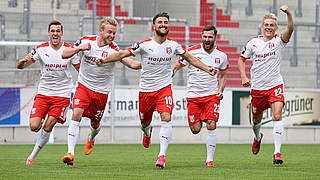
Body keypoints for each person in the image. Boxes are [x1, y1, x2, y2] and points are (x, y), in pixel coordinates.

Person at [96, 12, 217, 168]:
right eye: (160, 22)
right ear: (154, 26)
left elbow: (190, 59)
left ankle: (161, 156)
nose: (163, 25)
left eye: (165, 22)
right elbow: (121, 54)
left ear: (168, 26)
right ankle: (147, 132)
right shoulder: (144, 44)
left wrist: (207, 69)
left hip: (164, 88)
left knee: (166, 117)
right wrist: (104, 60)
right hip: (146, 90)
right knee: (144, 122)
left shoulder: (174, 45)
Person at [61, 17, 141, 166]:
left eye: (114, 33)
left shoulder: (114, 49)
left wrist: (147, 65)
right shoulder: (87, 41)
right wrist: (79, 48)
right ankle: (70, 153)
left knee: (95, 123)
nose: (111, 36)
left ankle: (91, 137)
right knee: (76, 113)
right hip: (84, 86)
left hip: (101, 92)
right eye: (109, 32)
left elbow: (131, 64)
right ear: (101, 31)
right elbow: (64, 54)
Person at [17, 20, 80, 165]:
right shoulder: (40, 49)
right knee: (34, 126)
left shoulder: (69, 51)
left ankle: (31, 157)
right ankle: (42, 125)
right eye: (53, 31)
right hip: (44, 93)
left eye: (58, 31)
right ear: (49, 33)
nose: (55, 33)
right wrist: (21, 62)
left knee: (48, 126)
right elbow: (22, 65)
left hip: (62, 95)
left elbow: (81, 70)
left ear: (62, 33)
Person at [238, 5, 293, 164]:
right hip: (257, 89)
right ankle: (257, 137)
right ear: (262, 27)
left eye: (272, 25)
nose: (269, 27)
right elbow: (241, 60)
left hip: (275, 85)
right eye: (266, 25)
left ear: (276, 28)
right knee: (256, 121)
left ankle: (277, 153)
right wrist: (243, 77)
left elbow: (290, 29)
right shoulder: (253, 43)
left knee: (277, 116)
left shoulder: (279, 41)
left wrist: (288, 13)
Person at [172, 25, 228, 167]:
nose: (207, 39)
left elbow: (223, 75)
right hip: (193, 96)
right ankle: (203, 117)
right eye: (205, 37)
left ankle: (209, 159)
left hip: (211, 96)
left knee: (211, 124)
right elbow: (178, 65)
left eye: (210, 37)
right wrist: (171, 71)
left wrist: (221, 90)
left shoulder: (222, 55)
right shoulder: (191, 51)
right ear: (201, 37)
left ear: (215, 37)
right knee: (195, 129)